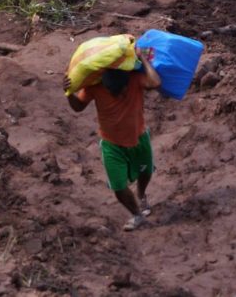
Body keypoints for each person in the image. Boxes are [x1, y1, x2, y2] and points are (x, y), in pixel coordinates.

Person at [64, 50, 162, 231]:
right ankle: (136, 215)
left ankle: (141, 196)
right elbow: (78, 107)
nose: (118, 94)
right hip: (112, 145)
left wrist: (141, 58)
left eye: (121, 90)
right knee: (118, 187)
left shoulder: (134, 79)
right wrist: (69, 92)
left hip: (139, 138)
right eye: (112, 91)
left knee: (145, 172)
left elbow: (155, 82)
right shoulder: (95, 86)